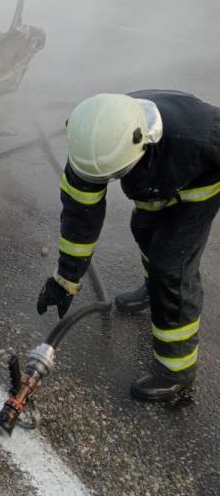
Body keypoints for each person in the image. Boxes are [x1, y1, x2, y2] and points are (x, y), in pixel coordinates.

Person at [37, 90, 220, 403]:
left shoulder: (199, 135)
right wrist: (65, 280)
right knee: (145, 231)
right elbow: (80, 218)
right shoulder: (93, 141)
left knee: (170, 267)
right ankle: (154, 292)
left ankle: (176, 370)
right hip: (151, 183)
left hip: (198, 185)